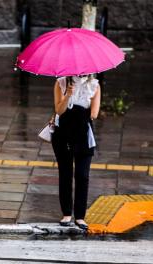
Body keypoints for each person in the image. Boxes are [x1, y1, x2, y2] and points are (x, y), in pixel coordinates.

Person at [51, 75, 101, 230]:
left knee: (82, 175)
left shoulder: (94, 85)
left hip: (83, 133)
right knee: (65, 173)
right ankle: (66, 214)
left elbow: (94, 113)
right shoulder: (61, 82)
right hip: (63, 133)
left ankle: (80, 216)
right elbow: (59, 110)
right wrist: (68, 95)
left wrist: (84, 101)